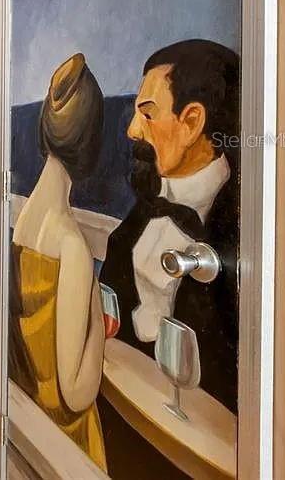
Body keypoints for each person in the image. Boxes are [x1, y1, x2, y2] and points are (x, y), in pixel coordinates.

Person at [97, 39, 239, 476]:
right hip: (122, 428)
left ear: (192, 121)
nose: (132, 131)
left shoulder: (244, 228)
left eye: (147, 114)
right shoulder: (139, 219)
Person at [8, 53, 108, 471]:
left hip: (25, 408)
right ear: (91, 144)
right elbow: (75, 393)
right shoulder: (72, 246)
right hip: (63, 439)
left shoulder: (23, 223)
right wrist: (98, 325)